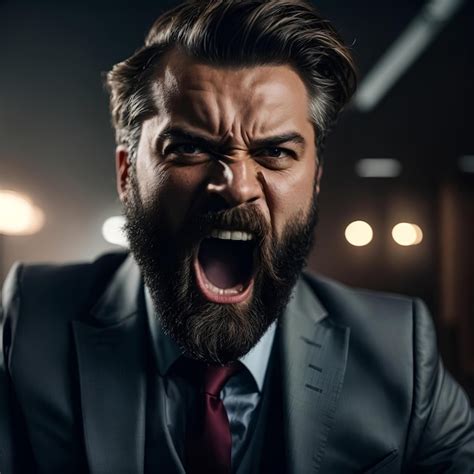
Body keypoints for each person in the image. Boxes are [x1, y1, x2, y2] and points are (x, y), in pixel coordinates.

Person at [1, 0, 473, 472]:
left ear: (315, 180)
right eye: (188, 147)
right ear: (127, 174)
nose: (237, 185)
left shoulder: (400, 354)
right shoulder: (30, 324)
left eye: (276, 152)